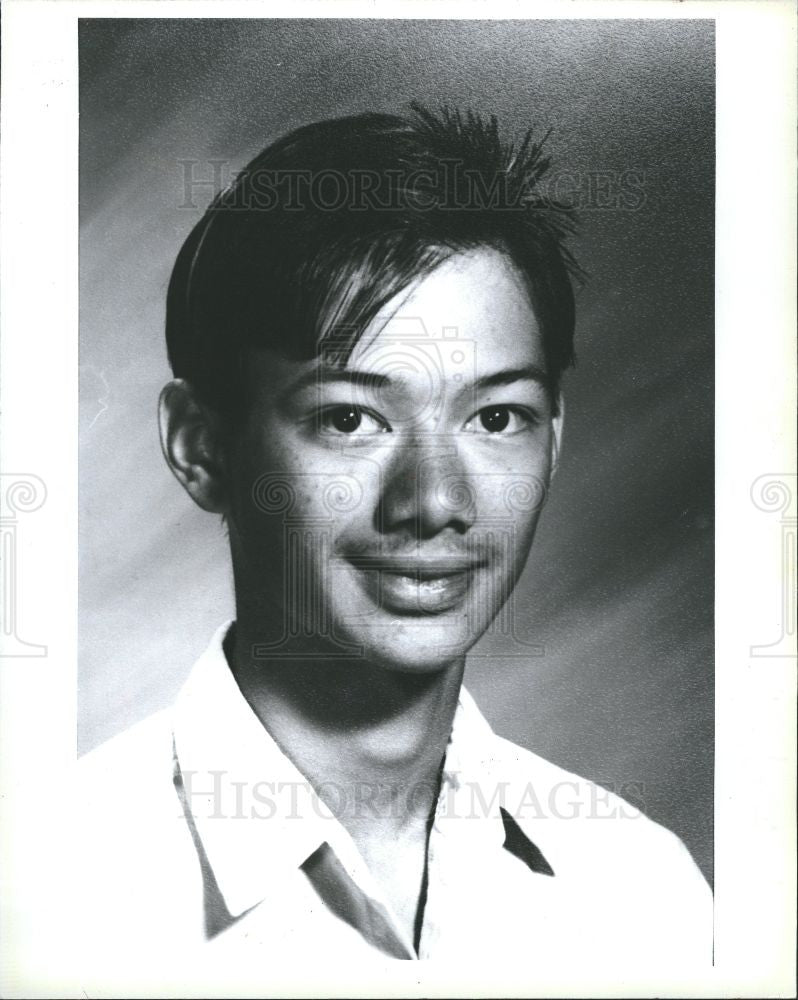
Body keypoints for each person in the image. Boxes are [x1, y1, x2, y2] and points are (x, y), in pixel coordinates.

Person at [77, 104, 712, 970]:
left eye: (496, 416)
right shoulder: (53, 889)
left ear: (555, 440)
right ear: (202, 447)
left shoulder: (644, 892)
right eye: (350, 419)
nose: (434, 500)